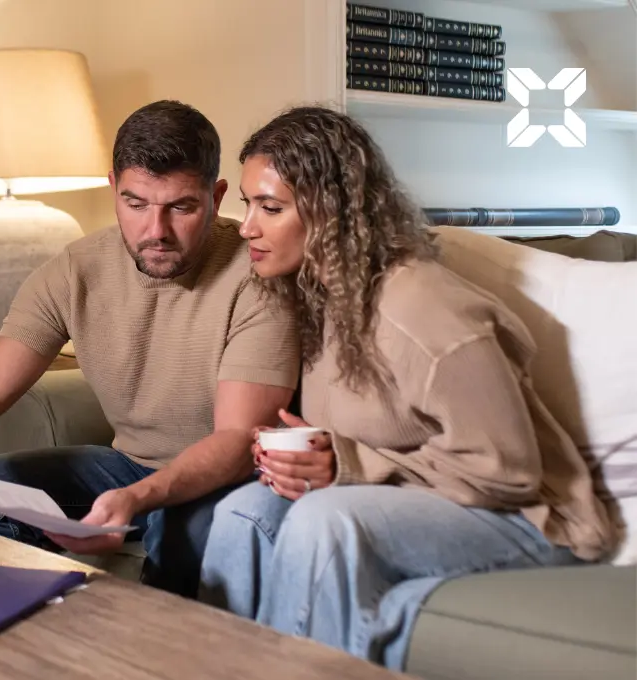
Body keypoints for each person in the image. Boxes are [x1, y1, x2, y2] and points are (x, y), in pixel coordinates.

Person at [197, 105, 617, 668]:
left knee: (326, 522)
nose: (247, 226)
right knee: (243, 514)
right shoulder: (320, 299)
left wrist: (348, 464)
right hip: (422, 500)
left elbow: (510, 472)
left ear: (331, 212)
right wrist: (313, 458)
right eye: (249, 203)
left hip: (531, 521)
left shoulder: (422, 309)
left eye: (270, 208)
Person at [0, 100, 300, 598]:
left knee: (177, 525)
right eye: (135, 204)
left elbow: (237, 441)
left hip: (227, 479)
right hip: (128, 466)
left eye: (181, 207)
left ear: (216, 196)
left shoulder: (259, 273)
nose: (156, 231)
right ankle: (28, 625)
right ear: (113, 188)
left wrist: (139, 499)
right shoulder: (76, 269)